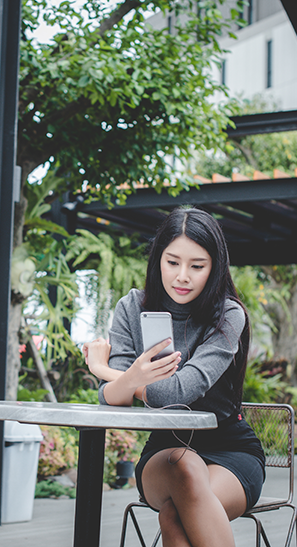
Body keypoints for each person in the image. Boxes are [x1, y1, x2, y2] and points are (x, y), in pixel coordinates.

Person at [83, 207, 264, 547]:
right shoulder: (131, 308)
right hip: (164, 454)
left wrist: (104, 370)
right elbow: (112, 400)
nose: (183, 276)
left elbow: (176, 392)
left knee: (174, 515)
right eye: (172, 262)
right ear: (158, 259)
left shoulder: (228, 315)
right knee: (184, 464)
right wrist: (123, 381)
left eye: (197, 266)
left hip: (231, 452)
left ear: (215, 268)